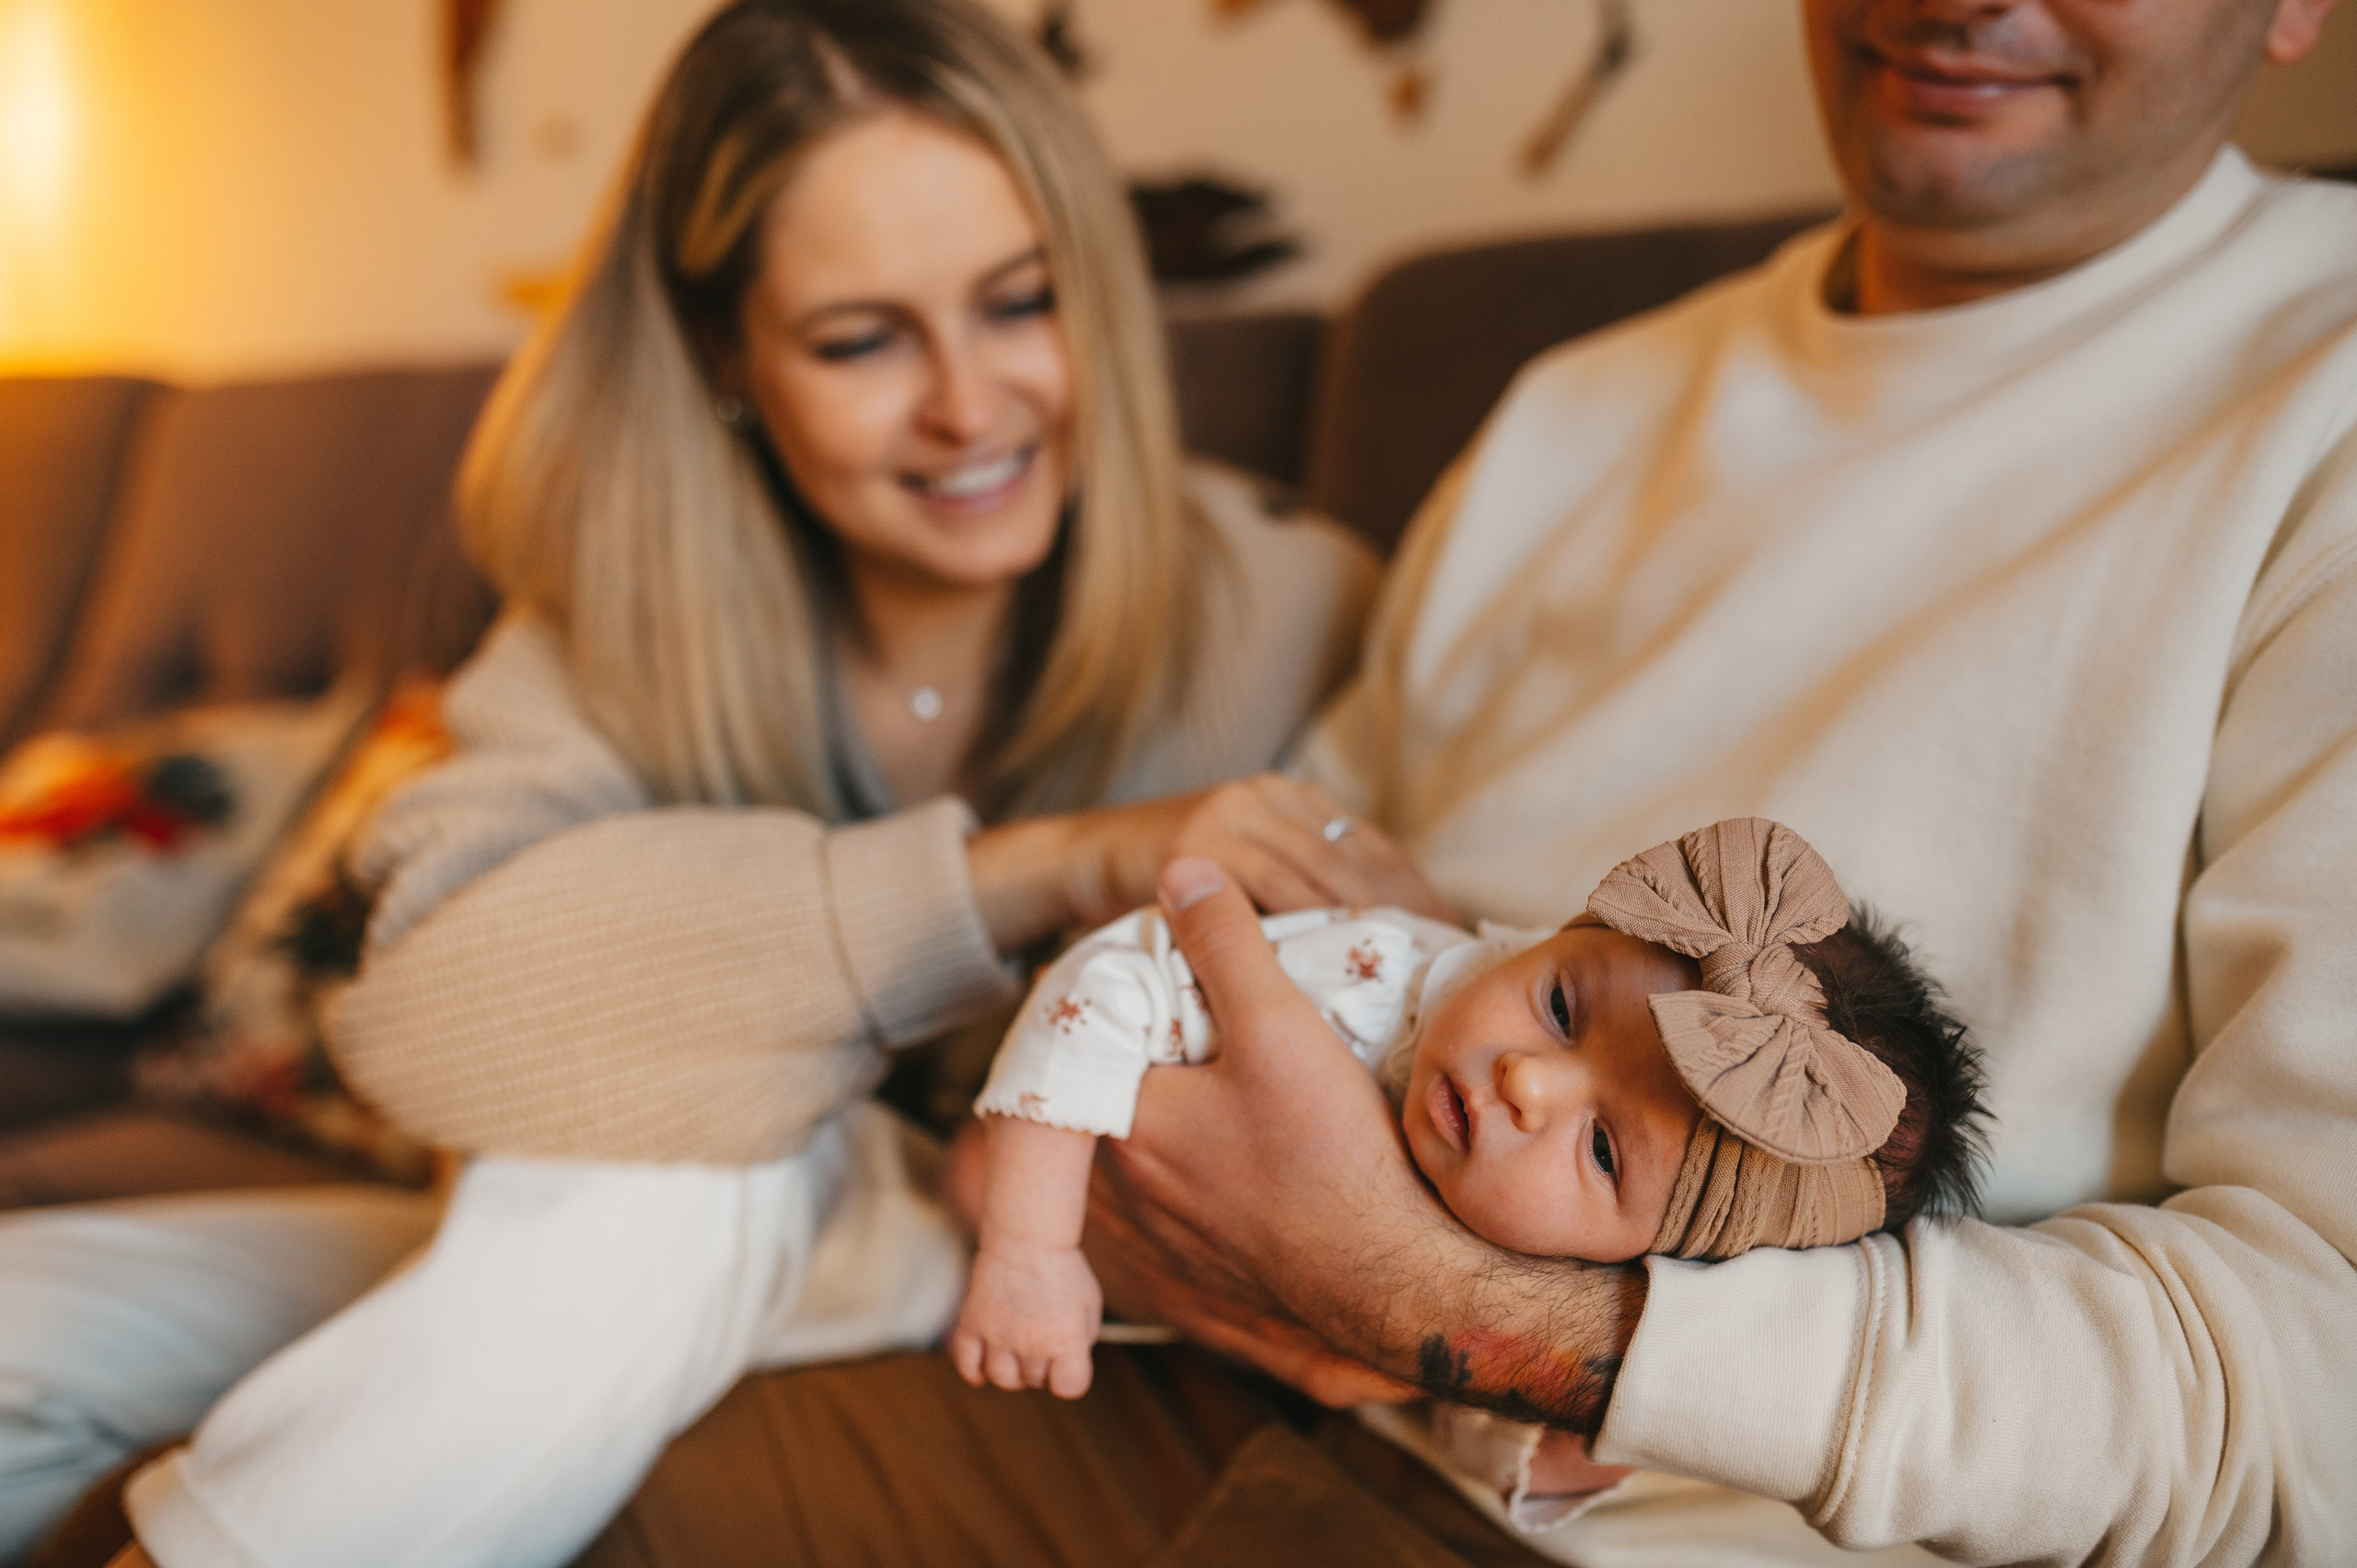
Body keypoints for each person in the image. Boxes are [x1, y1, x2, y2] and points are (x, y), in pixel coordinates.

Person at [0, 0, 1428, 1562]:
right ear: (725, 356)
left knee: (673, 1136)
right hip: (592, 1256)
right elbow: (421, 1020)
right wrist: (1032, 866)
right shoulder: (618, 629)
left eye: (1019, 304)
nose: (969, 404)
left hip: (940, 1237)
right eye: (862, 339)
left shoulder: (1296, 609)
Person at [1077, 0, 2357, 1562]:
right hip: (1173, 1367)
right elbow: (1284, 902)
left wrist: (1456, 1308)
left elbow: (2323, 1401)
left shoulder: (2325, 414)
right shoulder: (1570, 409)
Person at [951, 818, 1990, 1433]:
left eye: (1600, 1148)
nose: (1529, 1082)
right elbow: (1109, 978)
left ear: (1637, 1256)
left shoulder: (1548, 1277)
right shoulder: (1364, 984)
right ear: (1548, 939)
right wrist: (1030, 1242)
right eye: (1562, 1007)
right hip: (1008, 1150)